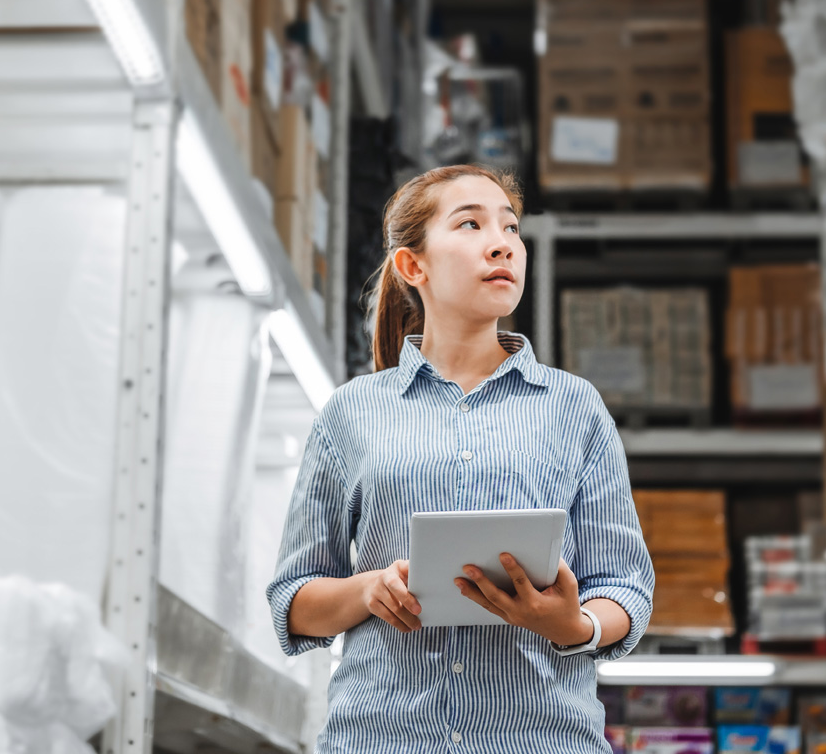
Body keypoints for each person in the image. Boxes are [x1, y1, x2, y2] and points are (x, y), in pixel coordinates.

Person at [266, 164, 654, 753]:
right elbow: (292, 601)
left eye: (511, 227)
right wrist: (368, 590)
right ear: (412, 266)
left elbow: (626, 586)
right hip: (382, 739)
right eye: (470, 224)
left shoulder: (574, 407)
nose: (502, 242)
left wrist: (573, 625)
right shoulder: (352, 412)